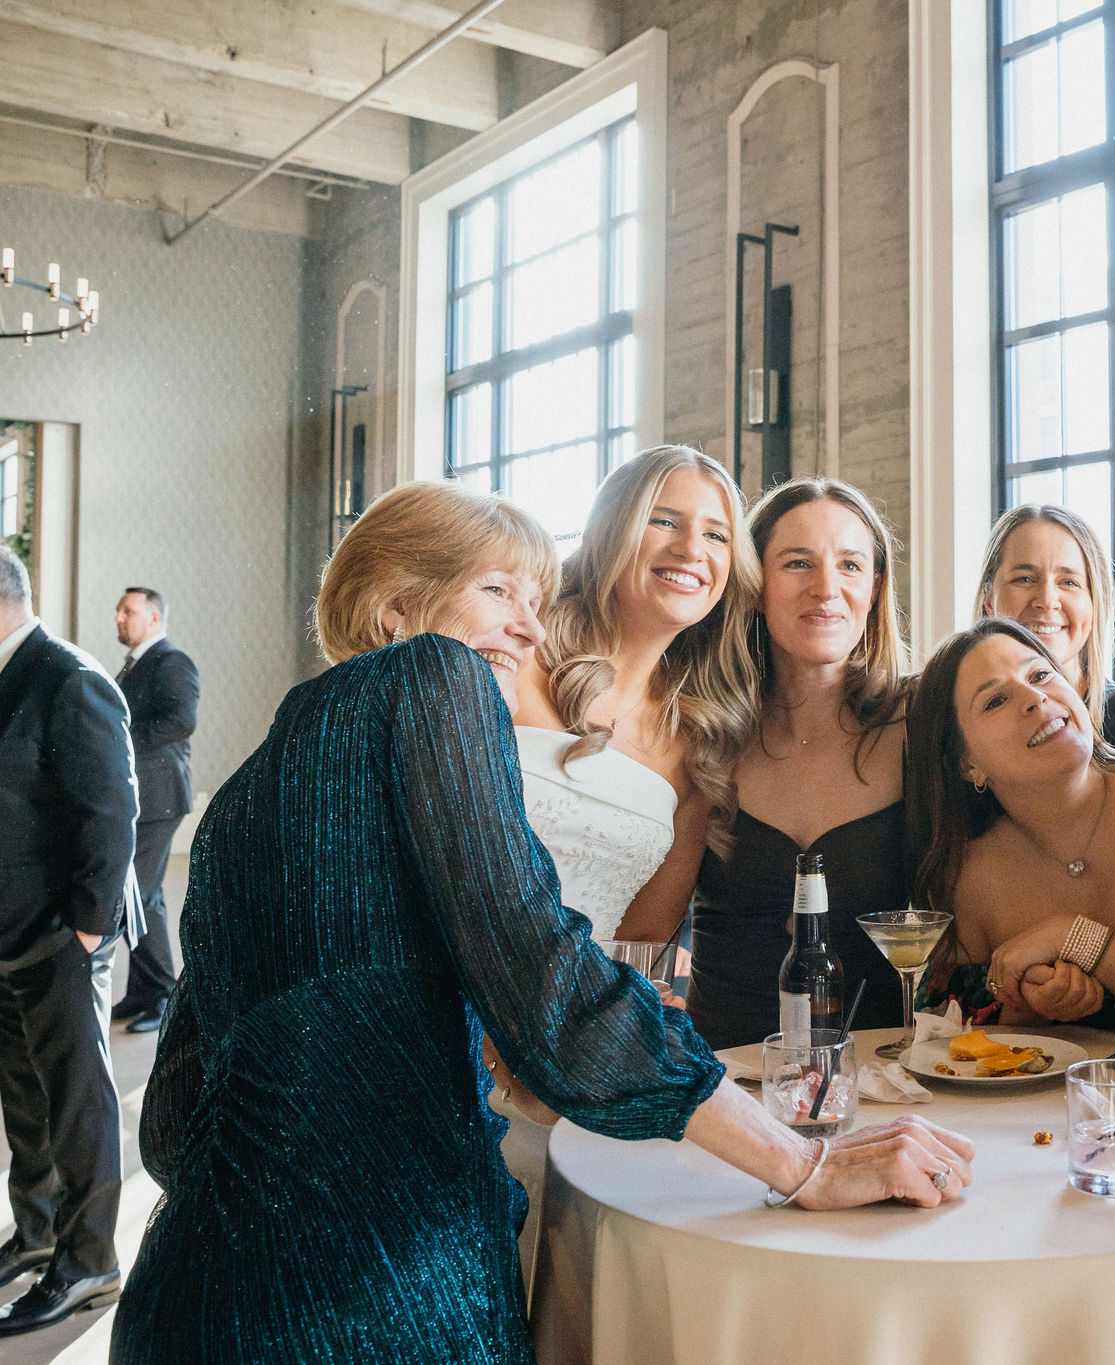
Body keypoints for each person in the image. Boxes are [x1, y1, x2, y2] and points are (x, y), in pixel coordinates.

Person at [110, 483, 973, 1365]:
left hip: (193, 1296)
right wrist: (808, 1165)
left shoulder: (246, 792)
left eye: (534, 599)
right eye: (500, 592)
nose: (529, 628)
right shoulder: (435, 676)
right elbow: (544, 974)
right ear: (396, 604)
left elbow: (172, 1117)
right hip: (383, 1294)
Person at [497, 444, 758, 1282]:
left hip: (557, 1055)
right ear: (613, 529)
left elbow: (642, 941)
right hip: (447, 1022)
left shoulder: (700, 738)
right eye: (666, 520)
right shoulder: (517, 658)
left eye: (718, 535)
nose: (694, 550)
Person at [905, 617, 1115, 1032]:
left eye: (1040, 674)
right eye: (995, 701)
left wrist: (1077, 938)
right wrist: (1025, 1006)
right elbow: (944, 1037)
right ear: (966, 764)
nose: (1035, 698)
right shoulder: (963, 877)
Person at [686, 479, 909, 1051]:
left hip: (891, 1080)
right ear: (757, 586)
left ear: (876, 588)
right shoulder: (702, 733)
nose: (826, 587)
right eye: (798, 563)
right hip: (725, 1078)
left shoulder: (922, 724)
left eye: (851, 565)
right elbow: (641, 936)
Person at [0, 546, 131, 1334]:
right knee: (24, 1097)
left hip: (59, 936)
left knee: (77, 1102)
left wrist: (85, 931)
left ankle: (88, 1262)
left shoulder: (68, 675)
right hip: (10, 934)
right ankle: (40, 1229)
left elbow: (110, 814)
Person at [976, 505, 1115, 750]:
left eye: (1069, 582)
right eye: (1024, 579)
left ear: (1094, 602)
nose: (1047, 601)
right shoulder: (953, 726)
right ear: (987, 598)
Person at [109, 585, 199, 1035]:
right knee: (148, 896)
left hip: (159, 796)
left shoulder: (171, 661)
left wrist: (118, 744)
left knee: (138, 895)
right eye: (119, 610)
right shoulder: (135, 665)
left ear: (154, 619)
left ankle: (165, 994)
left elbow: (181, 720)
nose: (119, 617)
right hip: (144, 797)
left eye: (128, 610)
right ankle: (145, 993)